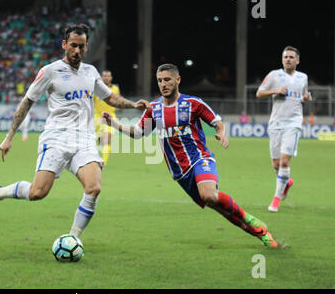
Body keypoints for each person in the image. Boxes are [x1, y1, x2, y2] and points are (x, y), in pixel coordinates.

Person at [0, 24, 150, 240]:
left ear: (86, 47)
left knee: (93, 188)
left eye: (81, 47)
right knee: (38, 193)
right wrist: (9, 137)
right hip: (56, 139)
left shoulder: (91, 72)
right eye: (73, 46)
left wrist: (133, 105)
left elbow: (109, 97)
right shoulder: (50, 71)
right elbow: (27, 102)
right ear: (64, 45)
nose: (77, 51)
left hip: (83, 140)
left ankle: (73, 238)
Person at [102, 64, 281, 248]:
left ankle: (249, 219)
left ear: (177, 80)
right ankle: (260, 233)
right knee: (217, 206)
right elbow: (139, 133)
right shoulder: (154, 109)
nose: (163, 84)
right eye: (160, 81)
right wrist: (113, 123)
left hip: (200, 159)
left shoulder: (193, 104)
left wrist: (221, 132)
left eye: (167, 80)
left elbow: (217, 122)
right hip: (179, 172)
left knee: (209, 196)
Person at [256, 46, 312, 212]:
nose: (288, 59)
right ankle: (285, 183)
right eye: (286, 57)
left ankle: (276, 200)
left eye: (291, 57)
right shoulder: (274, 75)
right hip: (275, 123)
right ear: (282, 60)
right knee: (276, 163)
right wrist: (276, 91)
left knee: (285, 161)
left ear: (297, 60)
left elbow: (302, 96)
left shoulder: (303, 77)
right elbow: (259, 93)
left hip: (293, 123)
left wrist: (305, 98)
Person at [94, 70, 120, 166]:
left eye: (108, 76)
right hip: (97, 117)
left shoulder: (115, 89)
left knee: (107, 139)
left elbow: (117, 100)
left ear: (111, 78)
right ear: (101, 77)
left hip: (110, 117)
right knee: (100, 141)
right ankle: (95, 158)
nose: (106, 78)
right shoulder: (96, 89)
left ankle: (103, 163)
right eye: (104, 76)